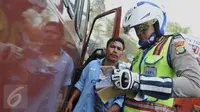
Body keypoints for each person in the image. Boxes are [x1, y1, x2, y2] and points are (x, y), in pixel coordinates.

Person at [111, 1, 200, 112]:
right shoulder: (140, 52)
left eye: (143, 27)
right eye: (136, 28)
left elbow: (195, 84)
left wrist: (140, 82)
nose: (139, 32)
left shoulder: (174, 43)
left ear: (157, 23)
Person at [65, 37, 126, 112]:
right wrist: (71, 101)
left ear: (121, 54)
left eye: (119, 49)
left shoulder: (122, 75)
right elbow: (80, 84)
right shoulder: (92, 64)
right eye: (112, 47)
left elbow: (120, 100)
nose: (115, 51)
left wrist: (110, 110)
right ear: (105, 50)